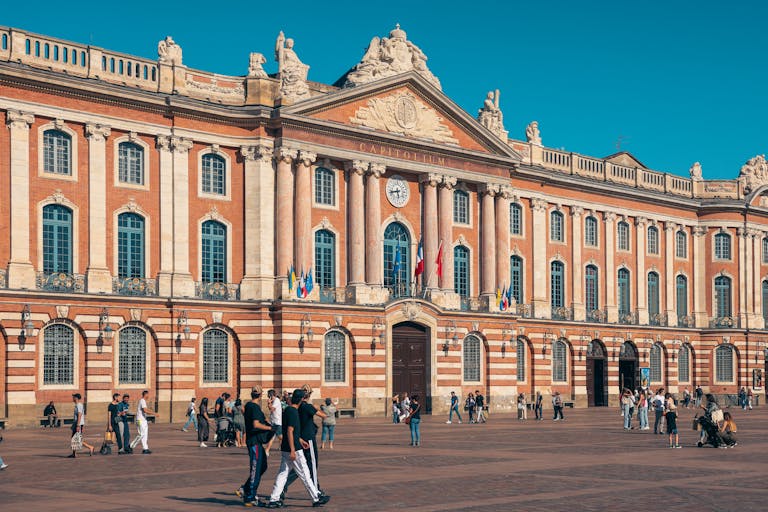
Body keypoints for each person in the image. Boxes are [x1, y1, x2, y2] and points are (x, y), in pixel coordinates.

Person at [262, 389, 330, 508]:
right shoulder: (293, 412)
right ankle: (316, 497)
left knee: (283, 474)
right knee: (305, 473)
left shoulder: (288, 410)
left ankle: (274, 499)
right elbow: (290, 431)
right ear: (301, 399)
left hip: (286, 448)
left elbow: (290, 431)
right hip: (294, 449)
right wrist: (293, 449)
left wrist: (300, 440)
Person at [282, 384, 327, 499]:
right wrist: (317, 408)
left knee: (300, 466)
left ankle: (283, 486)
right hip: (308, 439)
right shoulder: (308, 407)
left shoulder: (296, 407)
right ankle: (316, 490)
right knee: (311, 465)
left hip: (299, 438)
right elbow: (324, 416)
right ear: (308, 395)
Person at [239, 386, 273, 506]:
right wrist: (269, 428)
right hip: (254, 442)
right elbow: (256, 424)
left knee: (262, 465)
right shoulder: (255, 407)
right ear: (260, 395)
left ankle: (246, 488)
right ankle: (251, 497)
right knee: (256, 468)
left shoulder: (248, 405)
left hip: (255, 441)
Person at [69, 393, 94, 458]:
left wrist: (78, 425)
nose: (73, 398)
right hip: (76, 424)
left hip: (78, 424)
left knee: (77, 439)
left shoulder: (79, 405)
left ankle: (90, 447)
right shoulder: (77, 405)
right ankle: (74, 453)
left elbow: (79, 415)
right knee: (74, 439)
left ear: (76, 398)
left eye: (73, 397)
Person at [130, 390, 153, 454]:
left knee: (145, 435)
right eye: (148, 395)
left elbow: (145, 410)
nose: (148, 396)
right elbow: (145, 410)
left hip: (144, 420)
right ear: (145, 395)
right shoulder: (142, 401)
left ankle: (145, 448)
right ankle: (130, 446)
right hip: (140, 420)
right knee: (141, 434)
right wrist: (154, 413)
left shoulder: (144, 401)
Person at [265, 389, 283, 454]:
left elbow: (272, 409)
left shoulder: (276, 400)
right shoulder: (273, 401)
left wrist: (269, 403)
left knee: (279, 437)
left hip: (277, 422)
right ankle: (267, 450)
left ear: (270, 395)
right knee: (273, 437)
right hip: (274, 422)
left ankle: (267, 450)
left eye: (268, 396)